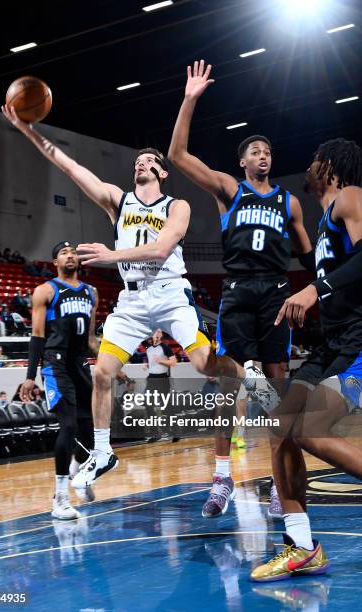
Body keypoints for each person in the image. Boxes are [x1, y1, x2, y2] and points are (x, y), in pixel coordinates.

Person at [1, 103, 278, 495]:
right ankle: (102, 451)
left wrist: (110, 255)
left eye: (148, 161)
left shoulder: (175, 207)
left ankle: (248, 374)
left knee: (205, 366)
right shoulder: (118, 200)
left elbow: (162, 250)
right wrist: (28, 129)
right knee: (102, 373)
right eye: (137, 162)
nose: (140, 165)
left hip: (170, 294)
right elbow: (68, 166)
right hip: (131, 303)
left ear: (162, 173)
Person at [167, 59, 313, 518]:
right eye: (255, 150)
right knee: (229, 385)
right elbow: (177, 157)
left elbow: (309, 259)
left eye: (267, 150)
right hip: (237, 289)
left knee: (274, 387)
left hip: (274, 292)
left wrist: (323, 288)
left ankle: (277, 478)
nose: (263, 154)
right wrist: (190, 99)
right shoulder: (229, 189)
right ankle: (222, 476)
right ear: (242, 161)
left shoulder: (288, 202)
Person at [251, 137, 362, 581]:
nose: (309, 166)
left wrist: (316, 289)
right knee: (279, 427)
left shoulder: (351, 197)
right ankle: (301, 546)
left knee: (309, 430)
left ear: (331, 166)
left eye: (315, 159)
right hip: (332, 342)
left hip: (359, 342)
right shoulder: (321, 221)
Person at [19, 241, 98, 520]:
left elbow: (90, 339)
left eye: (73, 252)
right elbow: (38, 334)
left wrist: (115, 364)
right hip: (55, 364)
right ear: (55, 262)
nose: (70, 255)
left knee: (89, 433)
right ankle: (60, 499)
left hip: (80, 365)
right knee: (68, 425)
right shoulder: (46, 291)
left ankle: (77, 471)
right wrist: (30, 377)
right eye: (64, 253)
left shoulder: (91, 292)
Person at [144, 329, 177, 441]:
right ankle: (155, 433)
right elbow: (153, 362)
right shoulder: (148, 349)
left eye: (159, 332)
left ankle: (174, 430)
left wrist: (160, 361)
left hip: (163, 379)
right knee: (148, 404)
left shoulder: (165, 347)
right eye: (155, 332)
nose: (157, 334)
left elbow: (173, 362)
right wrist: (148, 365)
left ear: (162, 335)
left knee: (166, 406)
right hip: (151, 379)